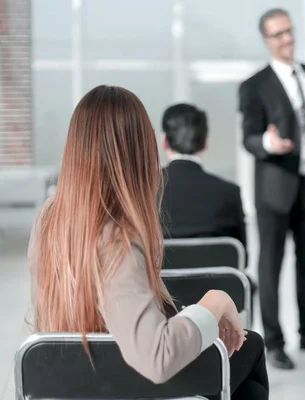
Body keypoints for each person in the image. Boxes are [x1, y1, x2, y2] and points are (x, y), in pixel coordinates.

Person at [29, 86, 269, 400]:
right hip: (124, 383)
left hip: (74, 381)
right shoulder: (118, 241)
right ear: (142, 152)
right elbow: (157, 357)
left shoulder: (50, 218)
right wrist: (215, 301)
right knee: (249, 349)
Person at [238, 8, 305, 370]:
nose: (287, 39)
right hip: (274, 189)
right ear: (266, 40)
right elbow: (249, 138)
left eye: (289, 31)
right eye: (278, 34)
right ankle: (273, 341)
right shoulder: (254, 85)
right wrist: (268, 143)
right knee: (270, 267)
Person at [161, 103, 246, 248]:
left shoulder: (141, 191)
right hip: (212, 271)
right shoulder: (229, 193)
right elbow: (241, 257)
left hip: (158, 271)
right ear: (205, 142)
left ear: (164, 142)